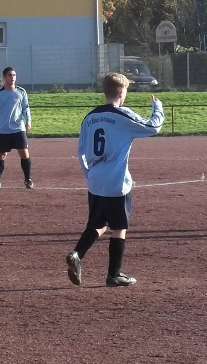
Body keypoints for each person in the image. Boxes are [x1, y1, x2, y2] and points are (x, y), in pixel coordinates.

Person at [65, 73, 165, 287]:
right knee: (119, 226)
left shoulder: (90, 117)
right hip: (116, 181)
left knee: (99, 223)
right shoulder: (122, 114)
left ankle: (77, 253)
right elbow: (152, 127)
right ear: (121, 93)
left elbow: (81, 150)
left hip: (95, 179)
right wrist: (158, 107)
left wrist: (89, 175)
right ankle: (114, 275)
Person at [0, 66, 34, 189]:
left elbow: (26, 108)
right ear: (4, 77)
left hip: (18, 128)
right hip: (3, 129)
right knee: (1, 155)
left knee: (24, 153)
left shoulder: (21, 92)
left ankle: (28, 179)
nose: (12, 77)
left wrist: (28, 121)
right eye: (10, 75)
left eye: (14, 75)